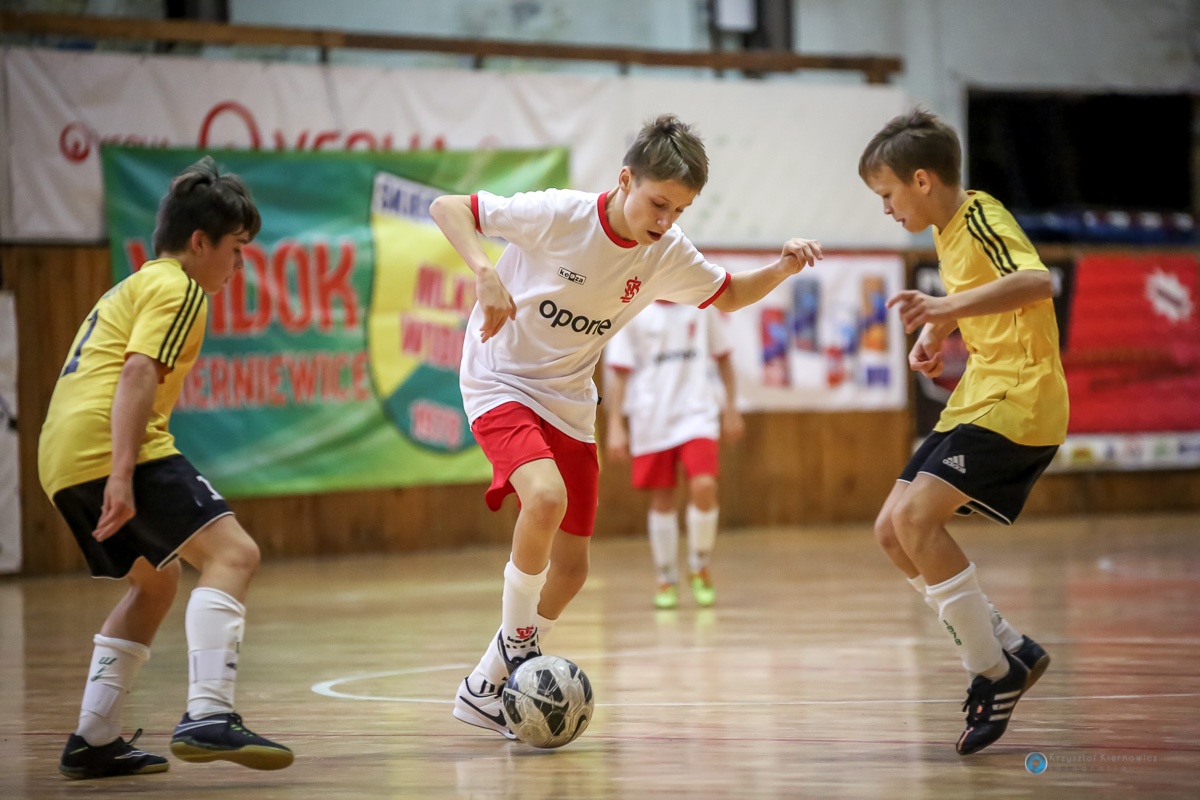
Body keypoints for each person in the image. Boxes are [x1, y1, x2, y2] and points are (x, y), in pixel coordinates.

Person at [430, 114, 822, 738]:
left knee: (573, 571)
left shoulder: (666, 252)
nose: (666, 220)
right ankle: (521, 646)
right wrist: (484, 270)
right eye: (658, 203)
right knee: (545, 498)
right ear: (624, 180)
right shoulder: (559, 214)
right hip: (499, 378)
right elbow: (448, 207)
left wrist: (781, 268)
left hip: (569, 399)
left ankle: (486, 683)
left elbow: (727, 295)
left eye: (680, 210)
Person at [39, 157, 293, 779]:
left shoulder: (136, 284)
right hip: (105, 445)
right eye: (236, 250)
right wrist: (122, 474)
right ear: (200, 242)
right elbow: (136, 373)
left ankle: (94, 737)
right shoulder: (180, 288)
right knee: (235, 554)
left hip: (60, 454)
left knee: (156, 582)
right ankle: (209, 714)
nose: (239, 266)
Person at [858, 108, 1069, 755]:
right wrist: (938, 331)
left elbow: (1037, 281)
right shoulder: (947, 229)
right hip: (980, 395)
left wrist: (945, 307)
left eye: (888, 194)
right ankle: (1008, 646)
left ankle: (993, 673)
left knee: (917, 520)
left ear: (922, 180)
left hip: (1021, 399)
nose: (886, 208)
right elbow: (987, 292)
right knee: (892, 530)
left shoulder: (980, 217)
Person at [603, 301, 743, 609]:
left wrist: (731, 408)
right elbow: (620, 373)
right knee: (662, 497)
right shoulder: (634, 309)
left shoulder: (701, 304)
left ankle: (699, 564)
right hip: (652, 417)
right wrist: (615, 425)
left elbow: (724, 358)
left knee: (704, 485)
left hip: (697, 413)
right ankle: (666, 576)